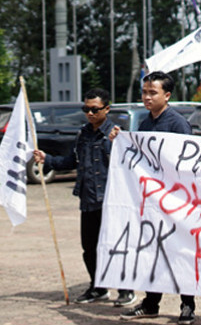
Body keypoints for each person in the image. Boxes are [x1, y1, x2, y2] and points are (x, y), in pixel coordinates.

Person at [32, 88, 136, 307]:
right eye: (86, 109)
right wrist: (47, 159)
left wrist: (118, 142)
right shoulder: (83, 134)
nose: (89, 113)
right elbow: (71, 162)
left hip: (111, 201)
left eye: (94, 109)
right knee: (89, 247)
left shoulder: (117, 135)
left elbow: (132, 165)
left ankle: (125, 289)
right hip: (88, 199)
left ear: (106, 109)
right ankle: (98, 287)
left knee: (115, 246)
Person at [113, 71, 197, 325]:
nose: (147, 98)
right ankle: (151, 303)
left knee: (180, 252)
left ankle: (187, 304)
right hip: (152, 201)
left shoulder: (177, 123)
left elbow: (187, 162)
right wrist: (121, 141)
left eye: (153, 93)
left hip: (177, 201)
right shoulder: (145, 123)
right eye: (144, 92)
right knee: (153, 251)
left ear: (167, 95)